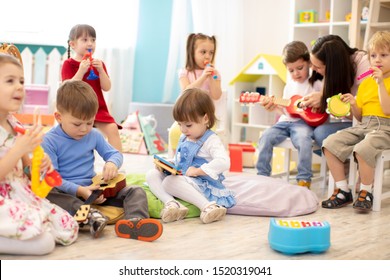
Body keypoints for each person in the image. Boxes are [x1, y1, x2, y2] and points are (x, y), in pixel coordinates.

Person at [42, 80, 163, 241]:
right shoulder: (49, 141)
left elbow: (115, 154)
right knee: (48, 193)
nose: (84, 129)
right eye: (77, 124)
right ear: (59, 117)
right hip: (68, 192)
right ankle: (92, 216)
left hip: (95, 190)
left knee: (136, 190)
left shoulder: (94, 135)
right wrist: (81, 191)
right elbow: (53, 179)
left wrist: (112, 163)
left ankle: (135, 223)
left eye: (90, 122)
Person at [0, 54, 78, 255]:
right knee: (44, 243)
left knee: (67, 227)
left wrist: (39, 164)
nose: (19, 86)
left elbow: (26, 169)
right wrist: (18, 149)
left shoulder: (14, 124)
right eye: (10, 81)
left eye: (21, 81)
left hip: (19, 193)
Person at [321, 31, 390, 211]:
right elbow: (359, 117)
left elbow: (387, 109)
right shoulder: (366, 83)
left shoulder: (383, 82)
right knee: (329, 143)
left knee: (363, 148)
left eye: (384, 55)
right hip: (364, 125)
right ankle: (343, 190)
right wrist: (353, 103)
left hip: (385, 129)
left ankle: (366, 191)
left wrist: (381, 83)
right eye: (373, 55)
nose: (377, 60)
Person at [146, 88, 235, 224]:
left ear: (205, 119)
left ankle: (208, 206)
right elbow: (181, 160)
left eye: (188, 125)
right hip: (185, 178)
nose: (183, 129)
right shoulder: (185, 137)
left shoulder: (211, 140)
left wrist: (198, 171)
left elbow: (224, 162)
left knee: (169, 182)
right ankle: (172, 204)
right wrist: (167, 165)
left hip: (204, 183)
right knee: (151, 174)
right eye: (179, 124)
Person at [255, 41, 322, 188]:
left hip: (303, 124)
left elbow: (322, 105)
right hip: (285, 122)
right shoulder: (289, 85)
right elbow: (287, 111)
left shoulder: (316, 83)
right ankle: (262, 175)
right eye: (291, 70)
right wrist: (274, 107)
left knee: (303, 141)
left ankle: (304, 178)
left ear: (309, 64)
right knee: (265, 136)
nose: (296, 73)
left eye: (300, 68)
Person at [301, 34, 370, 149]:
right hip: (351, 124)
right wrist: (322, 97)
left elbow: (366, 115)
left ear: (332, 66)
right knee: (307, 132)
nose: (313, 69)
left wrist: (328, 102)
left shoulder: (365, 70)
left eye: (317, 67)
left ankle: (347, 164)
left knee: (321, 134)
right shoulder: (334, 71)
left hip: (368, 125)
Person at [62, 24, 122, 152]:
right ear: (73, 44)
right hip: (76, 109)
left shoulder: (98, 64)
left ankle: (117, 162)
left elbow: (107, 87)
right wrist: (81, 70)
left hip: (97, 108)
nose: (90, 44)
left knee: (112, 128)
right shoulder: (69, 64)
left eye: (93, 40)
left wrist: (101, 71)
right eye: (85, 40)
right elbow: (67, 87)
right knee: (79, 134)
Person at [169, 33, 224, 155]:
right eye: (203, 52)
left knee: (205, 136)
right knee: (174, 132)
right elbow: (186, 91)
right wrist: (203, 77)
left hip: (206, 117)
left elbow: (216, 96)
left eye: (211, 52)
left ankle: (200, 158)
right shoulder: (185, 72)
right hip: (186, 116)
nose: (208, 56)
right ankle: (176, 158)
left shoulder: (215, 74)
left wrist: (211, 79)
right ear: (192, 52)